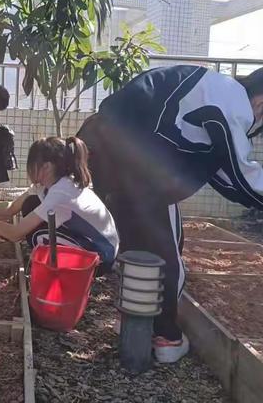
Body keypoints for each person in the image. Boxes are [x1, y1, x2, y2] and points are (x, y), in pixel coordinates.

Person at [77, 64, 263, 363]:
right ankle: (167, 337)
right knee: (167, 253)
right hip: (141, 165)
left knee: (134, 247)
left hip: (106, 152)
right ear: (260, 102)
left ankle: (131, 321)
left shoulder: (209, 89)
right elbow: (242, 174)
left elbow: (223, 172)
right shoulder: (232, 100)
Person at [0, 137, 119, 270]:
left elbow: (15, 233)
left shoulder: (61, 192)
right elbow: (11, 209)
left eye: (32, 164)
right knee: (30, 205)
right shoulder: (48, 185)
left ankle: (63, 268)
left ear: (46, 166)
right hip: (95, 245)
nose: (29, 169)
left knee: (36, 235)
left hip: (102, 257)